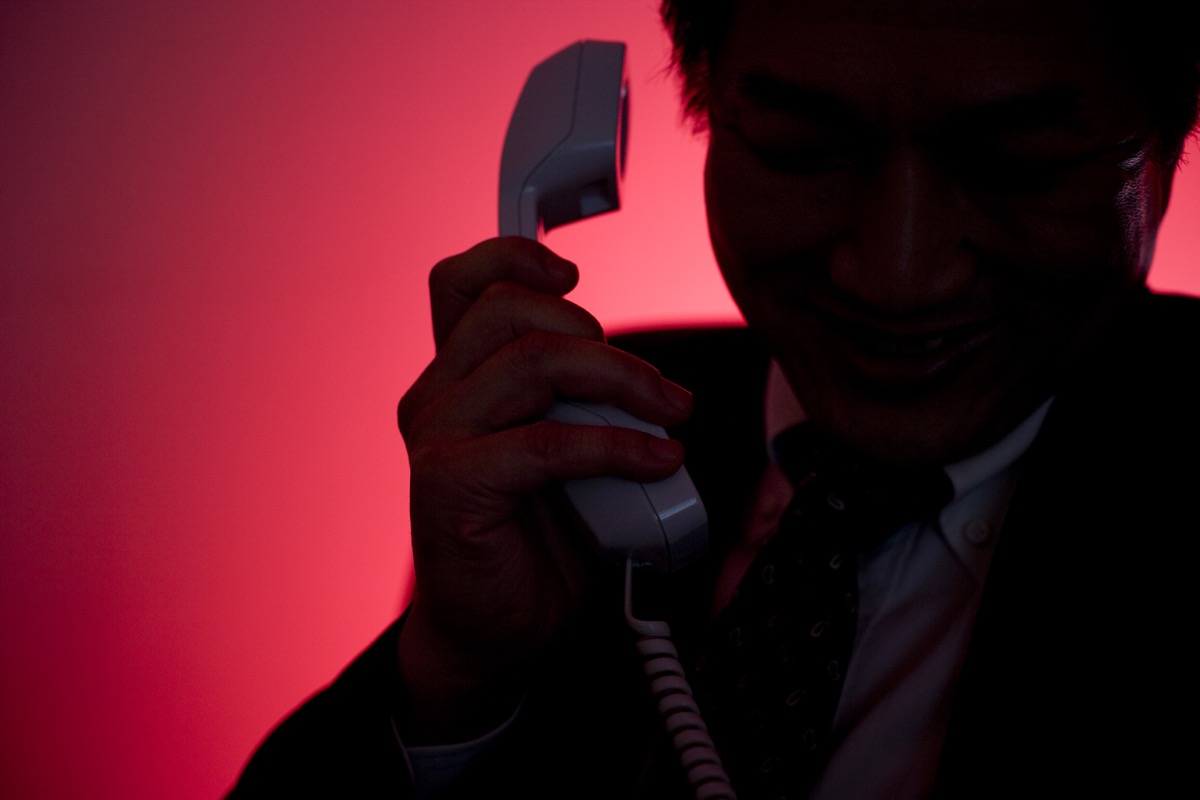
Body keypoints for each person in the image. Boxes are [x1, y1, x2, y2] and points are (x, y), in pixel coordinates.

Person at [230, 0, 1200, 797]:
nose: (898, 271)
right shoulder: (590, 431)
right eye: (800, 145)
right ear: (704, 112)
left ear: (1164, 151)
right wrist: (454, 684)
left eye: (1019, 162)